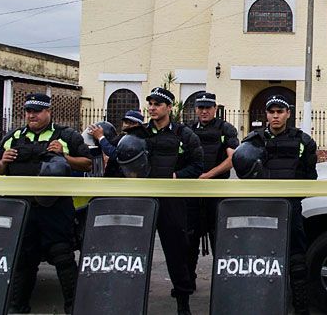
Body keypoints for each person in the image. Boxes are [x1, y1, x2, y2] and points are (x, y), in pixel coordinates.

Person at [0, 93, 92, 314]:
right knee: (23, 260)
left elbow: (87, 163)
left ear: (48, 111)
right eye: (28, 111)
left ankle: (73, 307)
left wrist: (64, 156)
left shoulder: (65, 136)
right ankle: (18, 307)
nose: (32, 115)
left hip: (55, 209)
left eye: (37, 111)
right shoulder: (14, 136)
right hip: (22, 209)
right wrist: (3, 161)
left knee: (63, 256)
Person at [241, 94, 318, 315]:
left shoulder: (303, 141)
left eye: (280, 112)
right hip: (261, 208)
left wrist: (294, 195)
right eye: (271, 112)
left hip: (291, 208)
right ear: (266, 114)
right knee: (261, 258)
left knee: (296, 260)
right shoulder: (253, 141)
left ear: (288, 114)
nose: (275, 116)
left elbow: (309, 177)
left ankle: (301, 307)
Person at [144, 87, 204, 315]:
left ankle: (183, 302)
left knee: (177, 252)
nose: (152, 108)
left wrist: (175, 176)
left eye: (157, 104)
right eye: (150, 103)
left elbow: (197, 165)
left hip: (172, 201)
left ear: (169, 107)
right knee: (134, 248)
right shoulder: (140, 133)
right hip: (144, 200)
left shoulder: (184, 134)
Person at [185, 92, 239, 292]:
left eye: (208, 107)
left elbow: (232, 159)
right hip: (192, 194)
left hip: (216, 193)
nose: (204, 111)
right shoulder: (188, 130)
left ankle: (222, 285)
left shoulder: (225, 129)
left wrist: (208, 175)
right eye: (200, 107)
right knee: (189, 241)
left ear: (215, 109)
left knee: (220, 240)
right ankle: (188, 281)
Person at [87, 110, 147, 177]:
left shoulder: (135, 139)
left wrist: (100, 137)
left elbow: (115, 154)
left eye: (132, 123)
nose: (127, 125)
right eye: (126, 122)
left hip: (122, 177)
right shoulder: (124, 136)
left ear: (139, 125)